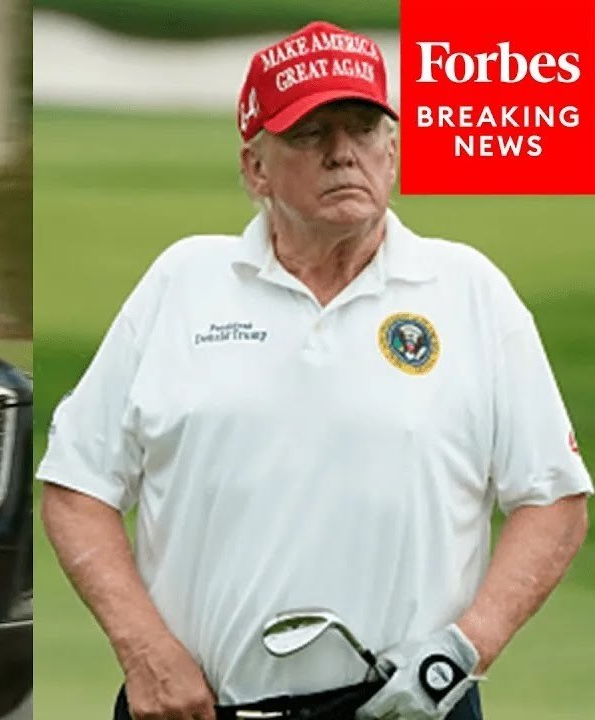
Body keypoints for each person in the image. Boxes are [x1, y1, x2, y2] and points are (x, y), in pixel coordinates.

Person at [37, 19, 592, 720]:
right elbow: (76, 485)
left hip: (408, 708)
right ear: (254, 168)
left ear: (391, 151)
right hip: (195, 706)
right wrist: (145, 651)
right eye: (309, 134)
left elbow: (553, 497)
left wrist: (464, 650)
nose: (342, 155)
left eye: (362, 129)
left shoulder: (469, 292)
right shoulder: (183, 282)